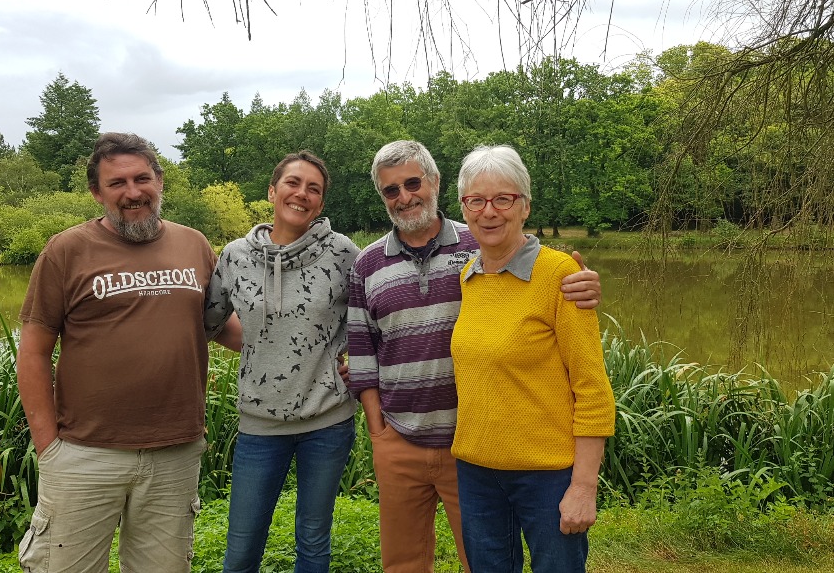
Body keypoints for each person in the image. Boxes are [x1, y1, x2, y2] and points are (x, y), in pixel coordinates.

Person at [346, 140, 602, 573]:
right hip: (448, 454)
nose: (404, 196)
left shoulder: (501, 254)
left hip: (507, 457)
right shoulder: (434, 267)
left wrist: (583, 282)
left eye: (413, 183)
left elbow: (588, 381)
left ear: (435, 183)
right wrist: (378, 430)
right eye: (392, 190)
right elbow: (362, 348)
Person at [16, 132, 239, 573]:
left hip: (175, 452)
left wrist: (312, 349)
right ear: (96, 192)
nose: (132, 192)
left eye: (142, 179)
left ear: (160, 181)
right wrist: (49, 447)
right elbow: (34, 352)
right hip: (84, 452)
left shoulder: (194, 244)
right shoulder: (66, 251)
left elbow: (222, 328)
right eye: (117, 183)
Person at [450, 144, 616, 572]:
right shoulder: (469, 276)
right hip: (476, 471)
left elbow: (592, 389)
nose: (489, 211)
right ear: (464, 209)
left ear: (524, 206)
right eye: (476, 200)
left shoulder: (560, 275)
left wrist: (584, 486)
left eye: (503, 199)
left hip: (547, 475)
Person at [204, 151, 359, 573]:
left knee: (313, 540)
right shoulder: (235, 256)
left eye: (314, 189)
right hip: (260, 425)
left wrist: (351, 360)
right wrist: (262, 349)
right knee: (242, 546)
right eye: (293, 183)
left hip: (328, 421)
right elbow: (211, 323)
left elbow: (371, 316)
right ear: (273, 191)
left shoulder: (343, 253)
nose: (302, 193)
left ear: (321, 203)